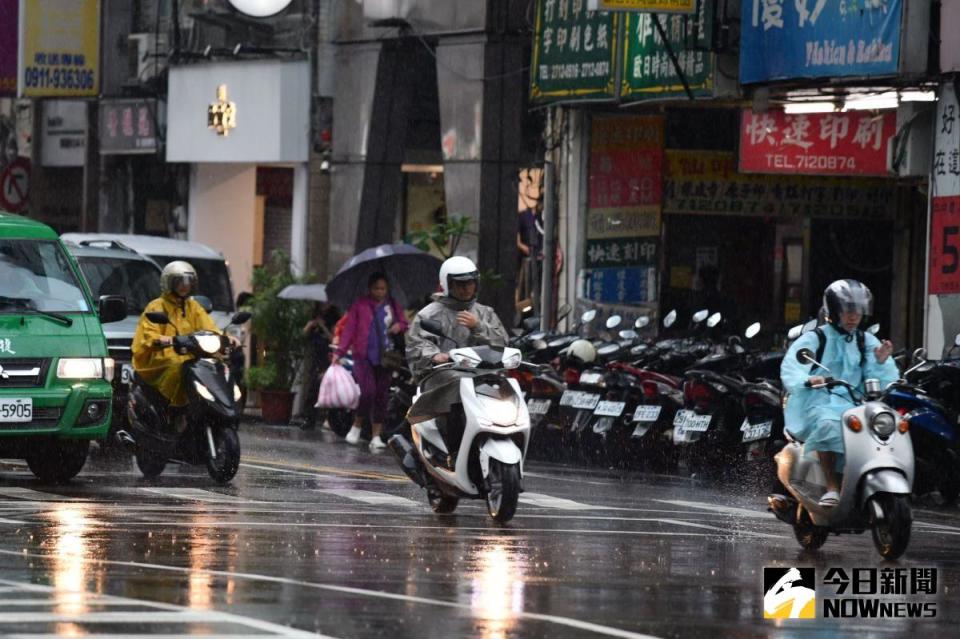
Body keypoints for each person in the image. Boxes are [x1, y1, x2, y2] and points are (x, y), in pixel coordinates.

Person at [778, 279, 897, 507]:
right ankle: (832, 486)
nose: (853, 317)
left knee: (885, 425)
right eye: (847, 311)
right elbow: (793, 366)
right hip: (818, 400)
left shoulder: (866, 340)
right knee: (829, 424)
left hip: (856, 401)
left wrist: (881, 362)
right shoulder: (816, 337)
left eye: (858, 311)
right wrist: (808, 379)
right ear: (834, 311)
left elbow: (882, 378)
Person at [131, 261, 239, 421]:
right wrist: (164, 340)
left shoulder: (193, 307)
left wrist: (224, 338)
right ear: (169, 283)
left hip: (190, 354)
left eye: (188, 282)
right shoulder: (156, 307)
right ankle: (173, 410)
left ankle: (210, 406)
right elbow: (148, 336)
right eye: (179, 281)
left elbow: (209, 326)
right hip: (160, 358)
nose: (184, 286)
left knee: (215, 366)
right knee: (177, 367)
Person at [332, 273, 408, 450]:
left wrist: (400, 326)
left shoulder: (393, 306)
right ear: (370, 288)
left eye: (383, 288)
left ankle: (376, 436)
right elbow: (349, 329)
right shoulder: (360, 305)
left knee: (381, 396)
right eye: (376, 288)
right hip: (363, 356)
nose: (380, 292)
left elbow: (404, 322)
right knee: (368, 392)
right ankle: (356, 426)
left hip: (387, 357)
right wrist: (340, 351)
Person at [406, 256, 510, 376]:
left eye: (470, 282)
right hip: (444, 380)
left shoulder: (485, 313)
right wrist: (434, 356)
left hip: (483, 379)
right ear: (447, 285)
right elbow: (417, 345)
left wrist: (478, 326)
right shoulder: (428, 315)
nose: (466, 288)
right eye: (460, 283)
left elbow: (503, 345)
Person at [300, 302, 340, 431]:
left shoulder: (333, 317)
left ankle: (327, 417)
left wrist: (323, 326)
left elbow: (333, 338)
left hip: (327, 354)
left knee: (324, 384)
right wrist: (311, 325)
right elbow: (304, 334)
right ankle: (309, 417)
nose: (324, 305)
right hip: (313, 353)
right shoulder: (314, 315)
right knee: (311, 385)